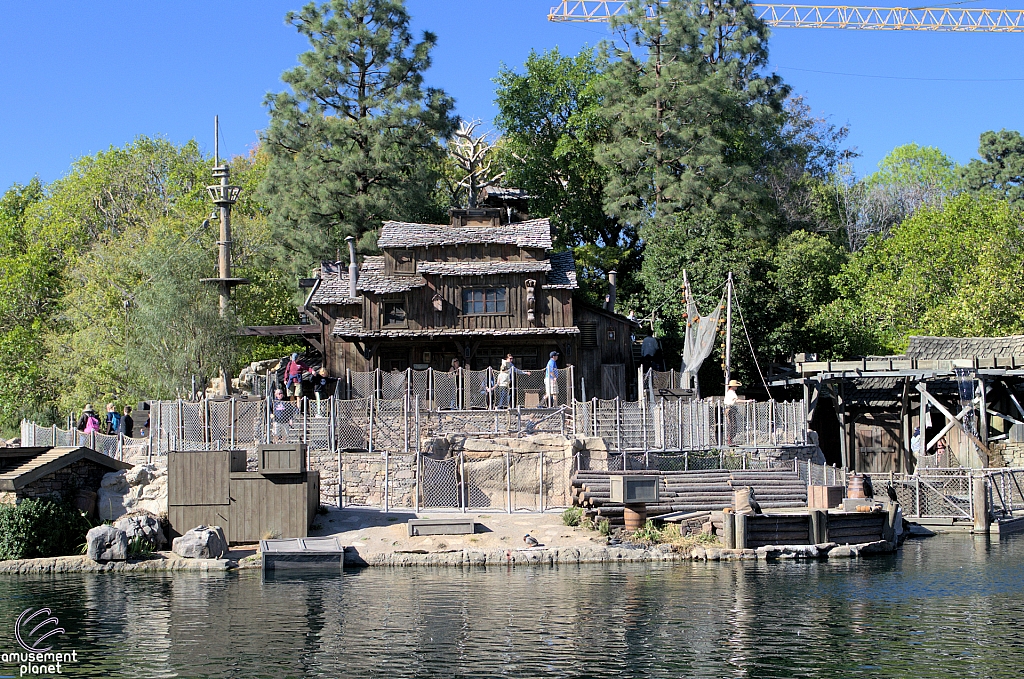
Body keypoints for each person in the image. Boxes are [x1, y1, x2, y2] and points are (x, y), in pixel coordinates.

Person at [724, 379, 742, 444]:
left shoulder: (729, 392)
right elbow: (736, 401)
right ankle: (730, 440)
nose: (737, 387)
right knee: (732, 425)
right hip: (730, 409)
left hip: (730, 409)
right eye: (736, 386)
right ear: (733, 386)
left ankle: (730, 439)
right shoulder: (731, 392)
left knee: (732, 424)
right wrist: (747, 401)